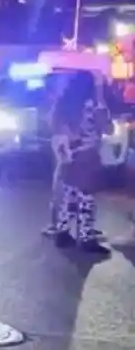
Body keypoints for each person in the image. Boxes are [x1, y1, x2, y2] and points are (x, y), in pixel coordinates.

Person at [49, 70, 111, 254]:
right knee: (87, 197)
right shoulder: (92, 105)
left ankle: (63, 231)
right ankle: (86, 237)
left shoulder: (64, 104)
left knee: (70, 195)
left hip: (69, 154)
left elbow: (54, 122)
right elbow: (107, 128)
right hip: (88, 155)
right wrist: (101, 98)